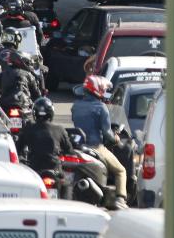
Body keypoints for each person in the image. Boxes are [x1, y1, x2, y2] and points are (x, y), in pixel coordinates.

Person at [71, 76, 129, 209]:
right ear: (98, 90)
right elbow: (107, 133)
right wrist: (116, 139)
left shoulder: (76, 106)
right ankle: (120, 199)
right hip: (96, 147)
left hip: (79, 147)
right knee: (121, 171)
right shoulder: (101, 107)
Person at [15, 97, 75, 176]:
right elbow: (69, 151)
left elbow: (17, 150)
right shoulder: (60, 129)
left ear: (34, 113)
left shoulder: (27, 129)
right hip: (55, 169)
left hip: (35, 170)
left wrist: (21, 159)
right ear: (51, 112)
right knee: (68, 185)